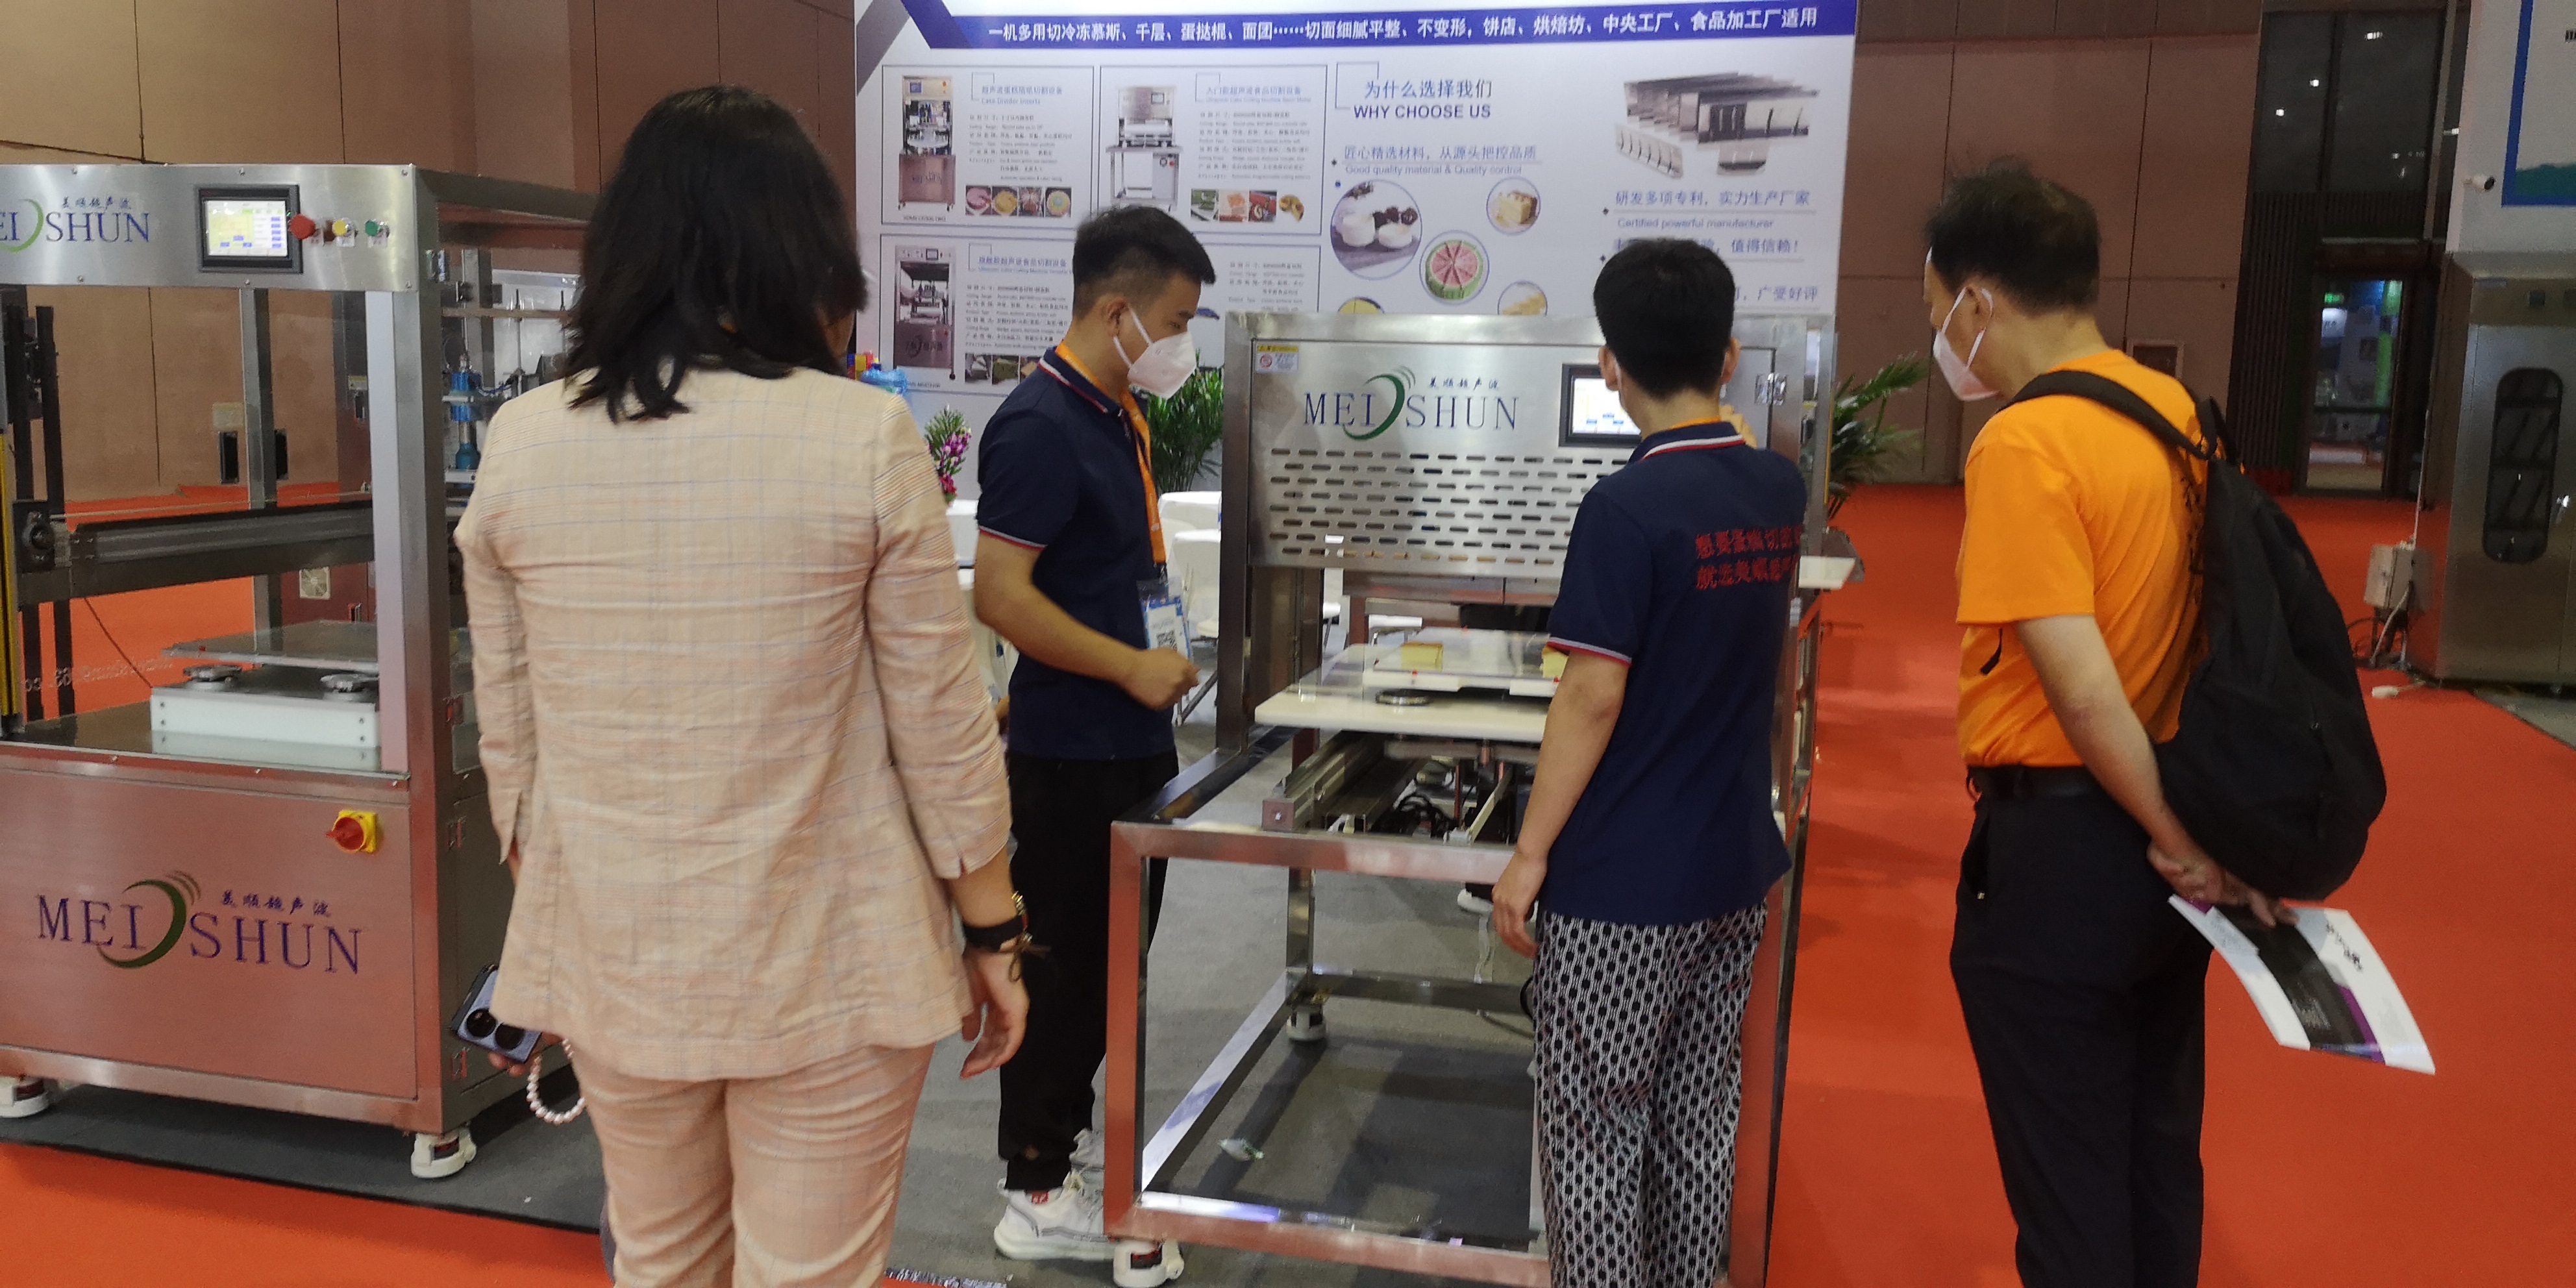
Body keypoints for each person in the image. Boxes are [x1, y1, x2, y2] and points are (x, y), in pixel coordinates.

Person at [457, 86, 1030, 1288]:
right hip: (832, 955)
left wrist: (575, 911)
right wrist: (993, 931)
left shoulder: (521, 441)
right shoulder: (860, 438)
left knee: (662, 1261)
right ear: (800, 253)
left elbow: (512, 744)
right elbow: (942, 728)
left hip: (619, 955)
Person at [1927, 160, 2290, 1288]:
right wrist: (2189, 835)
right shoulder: (2176, 414)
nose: (1942, 337)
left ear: (1980, 301)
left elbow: (2080, 688)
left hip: (2072, 845)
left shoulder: (2026, 443)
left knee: (2068, 1186)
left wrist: (2173, 838)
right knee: (2150, 1155)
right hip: (2167, 821)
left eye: (1938, 308)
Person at [1491, 238, 1807, 1288]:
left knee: (1593, 1127)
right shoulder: (1775, 487)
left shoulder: (1624, 509)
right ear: (1729, 357)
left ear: (1610, 366)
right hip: (1732, 865)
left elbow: (1592, 693)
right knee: (1698, 1118)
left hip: (1623, 886)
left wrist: (1529, 853)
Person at [970, 204, 1211, 1282]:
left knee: (1114, 974)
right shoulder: (1038, 424)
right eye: (1177, 321)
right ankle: (1032, 1186)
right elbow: (1001, 594)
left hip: (1128, 743)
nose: (1181, 343)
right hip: (1071, 755)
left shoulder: (1116, 412)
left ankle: (1058, 1160)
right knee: (1066, 976)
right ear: (1119, 312)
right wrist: (1124, 666)